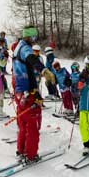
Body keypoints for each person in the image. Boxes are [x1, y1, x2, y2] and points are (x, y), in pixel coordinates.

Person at [13, 25, 55, 163]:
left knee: (24, 122)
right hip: (27, 92)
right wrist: (44, 71)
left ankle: (22, 149)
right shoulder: (25, 48)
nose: (34, 40)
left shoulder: (18, 47)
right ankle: (30, 154)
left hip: (21, 91)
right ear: (29, 36)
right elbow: (31, 58)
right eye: (33, 37)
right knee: (32, 124)